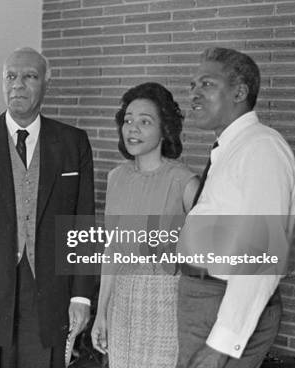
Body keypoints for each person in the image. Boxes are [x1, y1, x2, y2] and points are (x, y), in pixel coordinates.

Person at [0, 47, 96, 368]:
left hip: (50, 291)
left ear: (46, 84)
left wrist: (80, 296)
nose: (18, 85)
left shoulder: (73, 142)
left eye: (30, 76)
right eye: (11, 76)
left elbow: (83, 225)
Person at [176, 47, 295, 368]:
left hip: (221, 304)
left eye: (207, 84)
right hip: (204, 299)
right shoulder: (231, 148)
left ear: (240, 92)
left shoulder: (261, 149)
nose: (194, 94)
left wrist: (221, 345)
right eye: (192, 86)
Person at [90, 82, 199, 368]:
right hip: (122, 306)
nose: (133, 129)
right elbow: (112, 251)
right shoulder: (116, 177)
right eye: (127, 120)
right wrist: (101, 313)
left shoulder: (185, 182)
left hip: (167, 306)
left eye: (144, 121)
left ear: (165, 129)